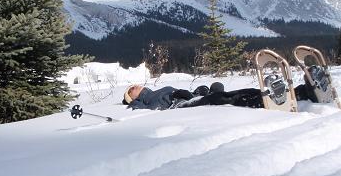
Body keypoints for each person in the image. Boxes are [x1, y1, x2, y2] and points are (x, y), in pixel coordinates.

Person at [123, 81, 315, 110]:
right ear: (133, 96)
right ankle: (267, 102)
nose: (136, 86)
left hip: (188, 99)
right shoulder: (142, 102)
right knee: (223, 99)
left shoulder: (155, 90)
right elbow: (132, 108)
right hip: (181, 106)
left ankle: (299, 92)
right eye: (132, 89)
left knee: (234, 93)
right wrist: (131, 102)